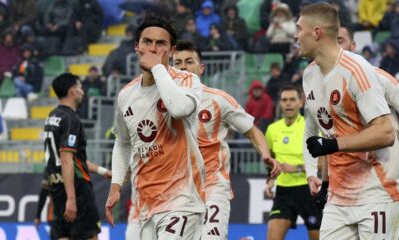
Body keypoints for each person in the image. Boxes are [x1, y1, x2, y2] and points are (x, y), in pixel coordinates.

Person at [296, 3, 399, 239]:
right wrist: (323, 181)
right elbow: (320, 133)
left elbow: (385, 133)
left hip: (377, 193)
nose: (295, 35)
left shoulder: (359, 71)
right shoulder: (310, 75)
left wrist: (334, 145)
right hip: (338, 197)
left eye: (299, 28)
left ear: (317, 32)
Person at [105, 14, 206, 240]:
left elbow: (178, 109)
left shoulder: (186, 81)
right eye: (147, 42)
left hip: (183, 199)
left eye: (161, 43)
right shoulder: (126, 95)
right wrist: (115, 185)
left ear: (171, 51)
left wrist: (158, 69)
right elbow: (122, 142)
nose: (152, 48)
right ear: (137, 47)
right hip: (146, 203)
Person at [171, 40, 281, 239]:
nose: (183, 67)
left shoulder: (218, 100)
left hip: (213, 184)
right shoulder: (162, 104)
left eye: (189, 61)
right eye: (177, 63)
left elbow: (253, 131)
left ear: (201, 68)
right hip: (178, 188)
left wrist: (266, 154)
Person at [315, 23, 399, 209]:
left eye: (340, 41)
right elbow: (331, 139)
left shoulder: (379, 77)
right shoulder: (323, 88)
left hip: (382, 185)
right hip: (343, 189)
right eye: (331, 42)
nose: (335, 48)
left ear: (353, 47)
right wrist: (325, 184)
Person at [44, 73, 111, 239]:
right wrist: (72, 198)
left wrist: (104, 171)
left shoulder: (52, 116)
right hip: (76, 189)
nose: (83, 91)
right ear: (72, 91)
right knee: (90, 236)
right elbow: (67, 160)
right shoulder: (71, 118)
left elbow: (75, 159)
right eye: (80, 87)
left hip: (58, 189)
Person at [264, 85, 322, 240]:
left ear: (300, 103)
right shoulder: (272, 129)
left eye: (292, 100)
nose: (288, 103)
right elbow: (270, 157)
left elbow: (323, 162)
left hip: (308, 190)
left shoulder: (311, 127)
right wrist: (270, 179)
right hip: (283, 192)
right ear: (280, 103)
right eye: (284, 100)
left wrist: (297, 168)